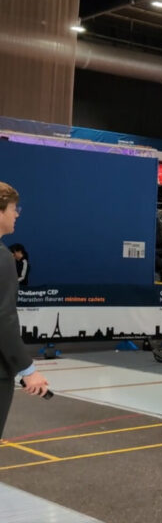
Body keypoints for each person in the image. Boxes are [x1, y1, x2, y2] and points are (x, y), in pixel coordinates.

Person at [0, 182, 50, 438]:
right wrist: (27, 369)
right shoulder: (2, 257)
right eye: (13, 208)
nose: (17, 214)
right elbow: (3, 319)